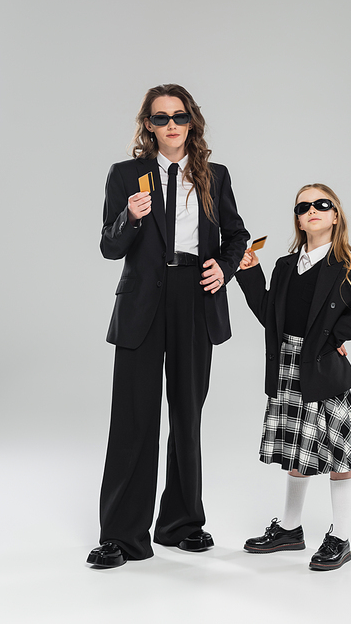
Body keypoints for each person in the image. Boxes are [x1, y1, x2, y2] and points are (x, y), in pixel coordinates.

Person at [87, 84, 249, 568]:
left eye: (179, 116)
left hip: (195, 298)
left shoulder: (213, 176)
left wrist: (225, 265)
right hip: (143, 303)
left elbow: (237, 234)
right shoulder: (126, 175)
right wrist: (130, 220)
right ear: (149, 126)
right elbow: (108, 247)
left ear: (192, 122)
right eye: (161, 118)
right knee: (134, 418)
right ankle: (120, 535)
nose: (171, 125)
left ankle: (181, 524)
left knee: (186, 413)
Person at [236, 183, 351, 571]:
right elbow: (269, 315)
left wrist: (335, 335)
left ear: (335, 215)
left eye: (322, 204)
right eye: (303, 207)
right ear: (298, 220)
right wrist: (250, 274)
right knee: (296, 449)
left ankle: (340, 536)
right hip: (288, 362)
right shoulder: (286, 265)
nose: (312, 211)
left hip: (322, 367)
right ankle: (290, 529)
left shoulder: (348, 267)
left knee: (337, 453)